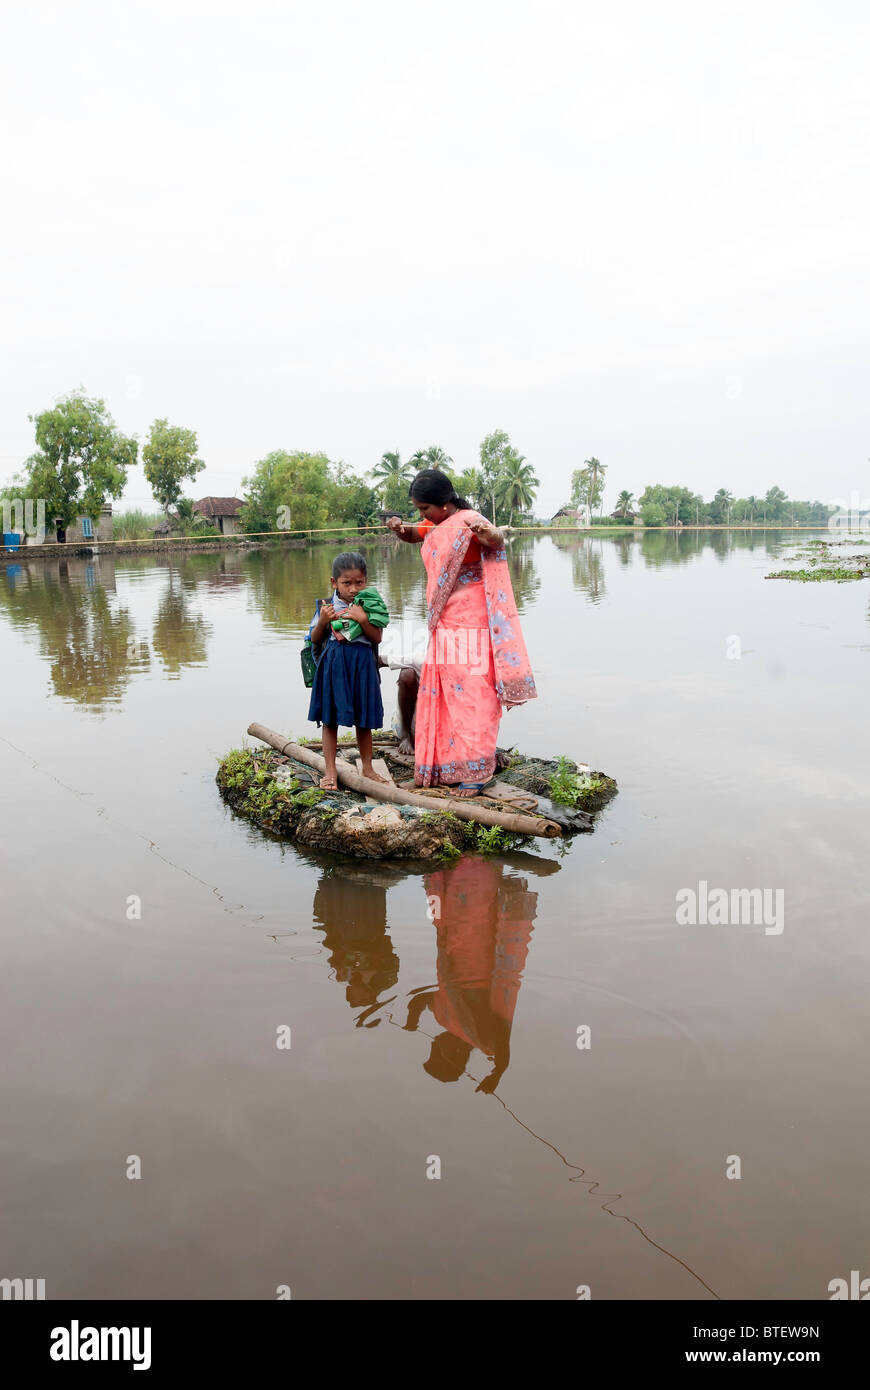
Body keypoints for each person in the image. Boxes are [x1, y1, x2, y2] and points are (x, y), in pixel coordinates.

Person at [387, 470, 537, 797]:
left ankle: (478, 771)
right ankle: (446, 766)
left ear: (444, 503)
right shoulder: (438, 524)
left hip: (472, 618)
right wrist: (400, 529)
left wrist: (488, 531)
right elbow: (415, 535)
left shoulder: (469, 519)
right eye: (418, 509)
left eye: (424, 508)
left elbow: (495, 539)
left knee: (473, 693)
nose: (421, 515)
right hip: (445, 620)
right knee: (446, 691)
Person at [307, 551, 388, 790]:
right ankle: (330, 771)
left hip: (362, 666)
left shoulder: (369, 604)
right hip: (335, 666)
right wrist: (323, 622)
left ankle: (368, 768)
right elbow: (314, 638)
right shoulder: (326, 606)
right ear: (334, 583)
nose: (353, 589)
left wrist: (363, 619)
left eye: (359, 582)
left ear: (366, 581)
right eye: (347, 583)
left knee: (364, 719)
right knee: (330, 719)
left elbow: (377, 637)